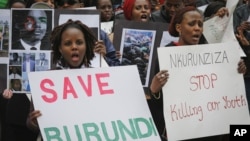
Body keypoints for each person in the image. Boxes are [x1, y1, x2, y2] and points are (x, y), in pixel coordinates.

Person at [149, 6, 247, 141]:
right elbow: (160, 102)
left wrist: (237, 72)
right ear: (179, 28)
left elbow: (223, 88)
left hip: (211, 131)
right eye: (191, 24)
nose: (197, 28)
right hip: (183, 131)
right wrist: (154, 90)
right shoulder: (166, 56)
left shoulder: (211, 55)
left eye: (200, 25)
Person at [26, 20, 97, 138]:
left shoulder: (99, 78)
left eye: (79, 42)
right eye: (68, 43)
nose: (74, 47)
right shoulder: (46, 81)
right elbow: (30, 122)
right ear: (60, 48)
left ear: (86, 45)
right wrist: (33, 122)